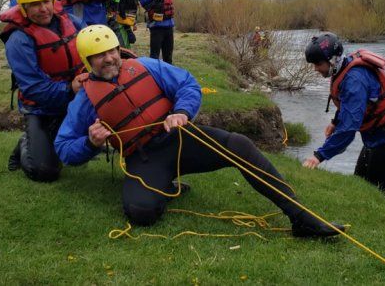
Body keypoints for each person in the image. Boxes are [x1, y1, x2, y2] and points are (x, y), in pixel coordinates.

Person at [54, 25, 344, 237]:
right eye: (99, 55)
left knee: (239, 144)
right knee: (141, 213)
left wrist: (181, 112)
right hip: (143, 159)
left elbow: (188, 84)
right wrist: (90, 143)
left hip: (180, 139)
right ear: (86, 61)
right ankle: (167, 188)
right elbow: (64, 147)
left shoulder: (145, 66)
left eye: (112, 51)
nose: (110, 58)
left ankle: (300, 217)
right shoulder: (84, 100)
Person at [302, 32, 385, 217]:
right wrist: (335, 122)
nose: (315, 69)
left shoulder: (355, 79)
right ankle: (372, 219)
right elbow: (351, 105)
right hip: (377, 138)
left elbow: (348, 131)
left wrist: (319, 156)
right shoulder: (344, 69)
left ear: (332, 60)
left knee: (378, 194)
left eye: (318, 64)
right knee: (360, 185)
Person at [0, 0, 87, 182]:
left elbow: (93, 46)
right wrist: (69, 89)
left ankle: (56, 136)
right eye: (35, 4)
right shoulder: (18, 40)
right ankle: (26, 143)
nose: (43, 8)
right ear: (23, 8)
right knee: (45, 171)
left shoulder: (71, 22)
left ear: (53, 0)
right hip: (40, 108)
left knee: (81, 148)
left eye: (46, 1)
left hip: (74, 101)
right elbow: (34, 88)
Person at [139, 0, 174, 64]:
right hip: (157, 28)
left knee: (168, 55)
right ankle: (153, 74)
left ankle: (168, 74)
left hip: (169, 27)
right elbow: (143, 1)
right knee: (154, 55)